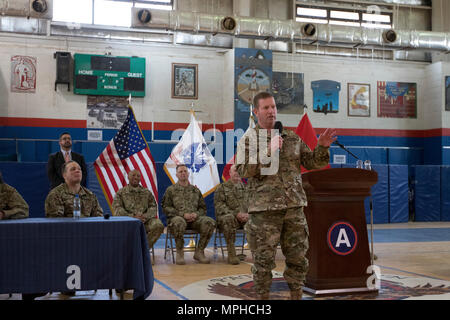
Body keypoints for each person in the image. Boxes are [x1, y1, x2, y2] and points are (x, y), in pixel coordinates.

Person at [235, 92, 337, 300]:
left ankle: (296, 295)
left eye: (273, 107)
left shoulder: (291, 137)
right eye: (266, 108)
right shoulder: (248, 139)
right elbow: (243, 170)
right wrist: (269, 151)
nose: (271, 111)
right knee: (263, 262)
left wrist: (322, 147)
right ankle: (262, 298)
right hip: (264, 212)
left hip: (293, 208)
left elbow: (312, 163)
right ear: (256, 112)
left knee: (298, 258)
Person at [161, 164, 216, 265]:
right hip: (178, 219)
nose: (183, 173)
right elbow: (166, 207)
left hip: (195, 220)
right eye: (180, 172)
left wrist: (196, 214)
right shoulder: (171, 190)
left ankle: (199, 252)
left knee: (209, 222)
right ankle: (180, 252)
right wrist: (182, 214)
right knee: (178, 222)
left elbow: (203, 208)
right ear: (176, 175)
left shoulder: (195, 190)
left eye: (185, 171)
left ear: (188, 173)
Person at [112, 169, 164, 254]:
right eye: (133, 175)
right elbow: (117, 209)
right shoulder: (121, 192)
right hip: (128, 223)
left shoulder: (146, 192)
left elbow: (153, 207)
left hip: (145, 221)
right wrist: (132, 217)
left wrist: (145, 216)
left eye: (138, 176)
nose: (136, 177)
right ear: (128, 177)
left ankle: (142, 251)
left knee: (158, 225)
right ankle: (130, 253)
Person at [214, 165, 249, 265]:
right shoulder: (222, 188)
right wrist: (236, 214)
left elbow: (253, 204)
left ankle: (260, 253)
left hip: (245, 219)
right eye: (235, 170)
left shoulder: (247, 188)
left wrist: (248, 215)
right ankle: (231, 253)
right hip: (230, 219)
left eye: (239, 170)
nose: (237, 173)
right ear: (230, 173)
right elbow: (219, 206)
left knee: (259, 219)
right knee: (228, 218)